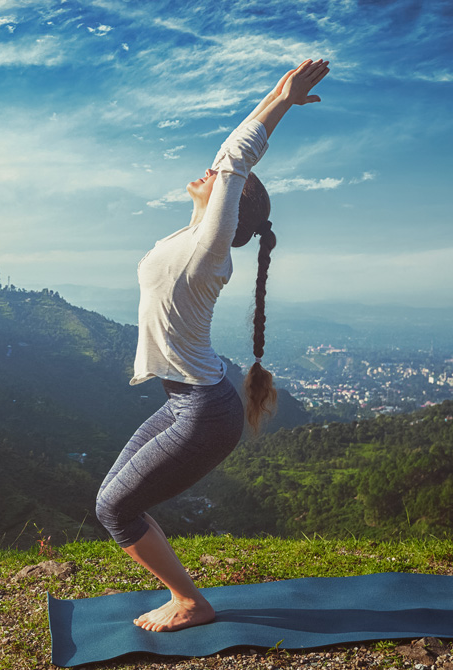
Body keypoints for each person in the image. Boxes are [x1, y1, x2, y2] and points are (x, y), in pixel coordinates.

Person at [95, 59, 331, 633]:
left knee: (114, 508)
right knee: (115, 500)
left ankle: (191, 602)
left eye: (225, 181)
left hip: (205, 411)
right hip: (190, 400)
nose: (211, 169)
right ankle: (183, 593)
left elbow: (235, 157)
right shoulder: (193, 235)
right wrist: (274, 94)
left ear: (232, 206)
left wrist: (281, 102)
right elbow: (228, 159)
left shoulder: (209, 249)